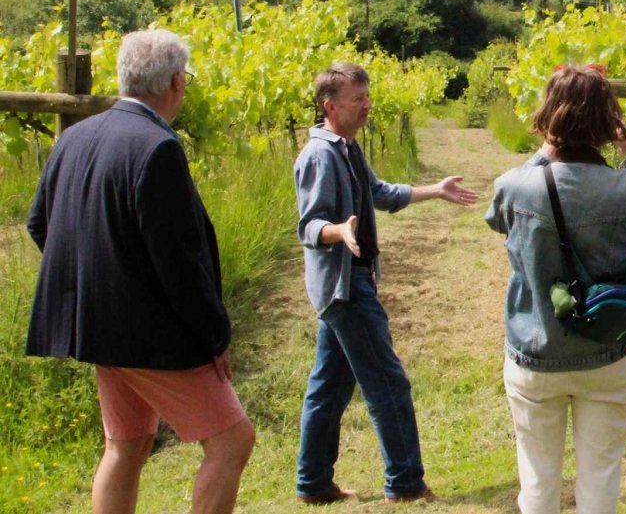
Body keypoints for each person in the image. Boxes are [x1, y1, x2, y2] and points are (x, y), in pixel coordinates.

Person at [26, 29, 255, 514]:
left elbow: (40, 224)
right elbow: (179, 263)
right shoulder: (157, 147)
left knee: (126, 445)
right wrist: (216, 336)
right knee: (233, 440)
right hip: (150, 337)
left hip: (97, 328)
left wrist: (100, 279)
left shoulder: (76, 136)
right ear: (176, 81)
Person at [486, 64, 626, 514]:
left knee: (536, 478)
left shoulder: (516, 187)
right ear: (608, 122)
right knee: (600, 476)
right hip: (609, 353)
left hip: (535, 354)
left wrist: (544, 150)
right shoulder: (625, 188)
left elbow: (496, 217)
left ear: (548, 117)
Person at [293, 61, 478, 505]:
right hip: (345, 285)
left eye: (367, 97)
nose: (367, 106)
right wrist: (339, 231)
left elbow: (379, 193)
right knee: (387, 383)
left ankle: (313, 484)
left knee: (330, 386)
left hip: (347, 283)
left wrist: (435, 190)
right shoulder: (320, 155)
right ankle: (406, 484)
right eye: (358, 99)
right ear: (329, 105)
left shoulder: (347, 147)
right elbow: (309, 226)